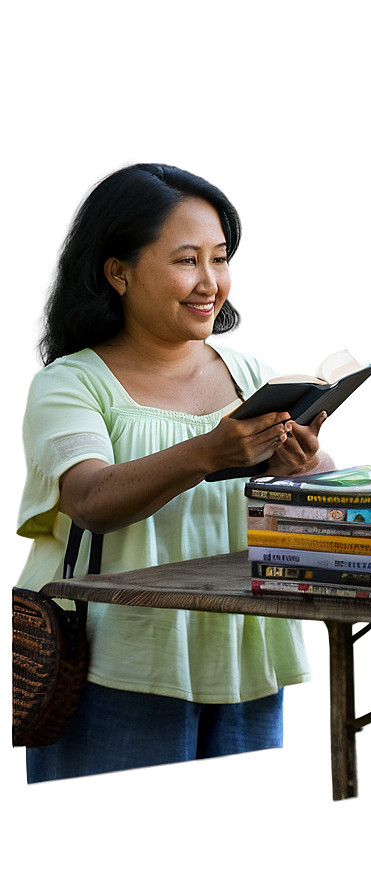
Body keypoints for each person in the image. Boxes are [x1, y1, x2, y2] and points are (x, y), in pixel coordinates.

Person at [16, 162, 335, 783]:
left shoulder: (252, 377)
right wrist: (206, 454)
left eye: (220, 258)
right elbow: (89, 499)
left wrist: (304, 470)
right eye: (187, 260)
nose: (211, 283)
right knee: (116, 858)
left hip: (245, 653)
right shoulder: (71, 383)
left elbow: (304, 498)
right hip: (115, 662)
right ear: (119, 273)